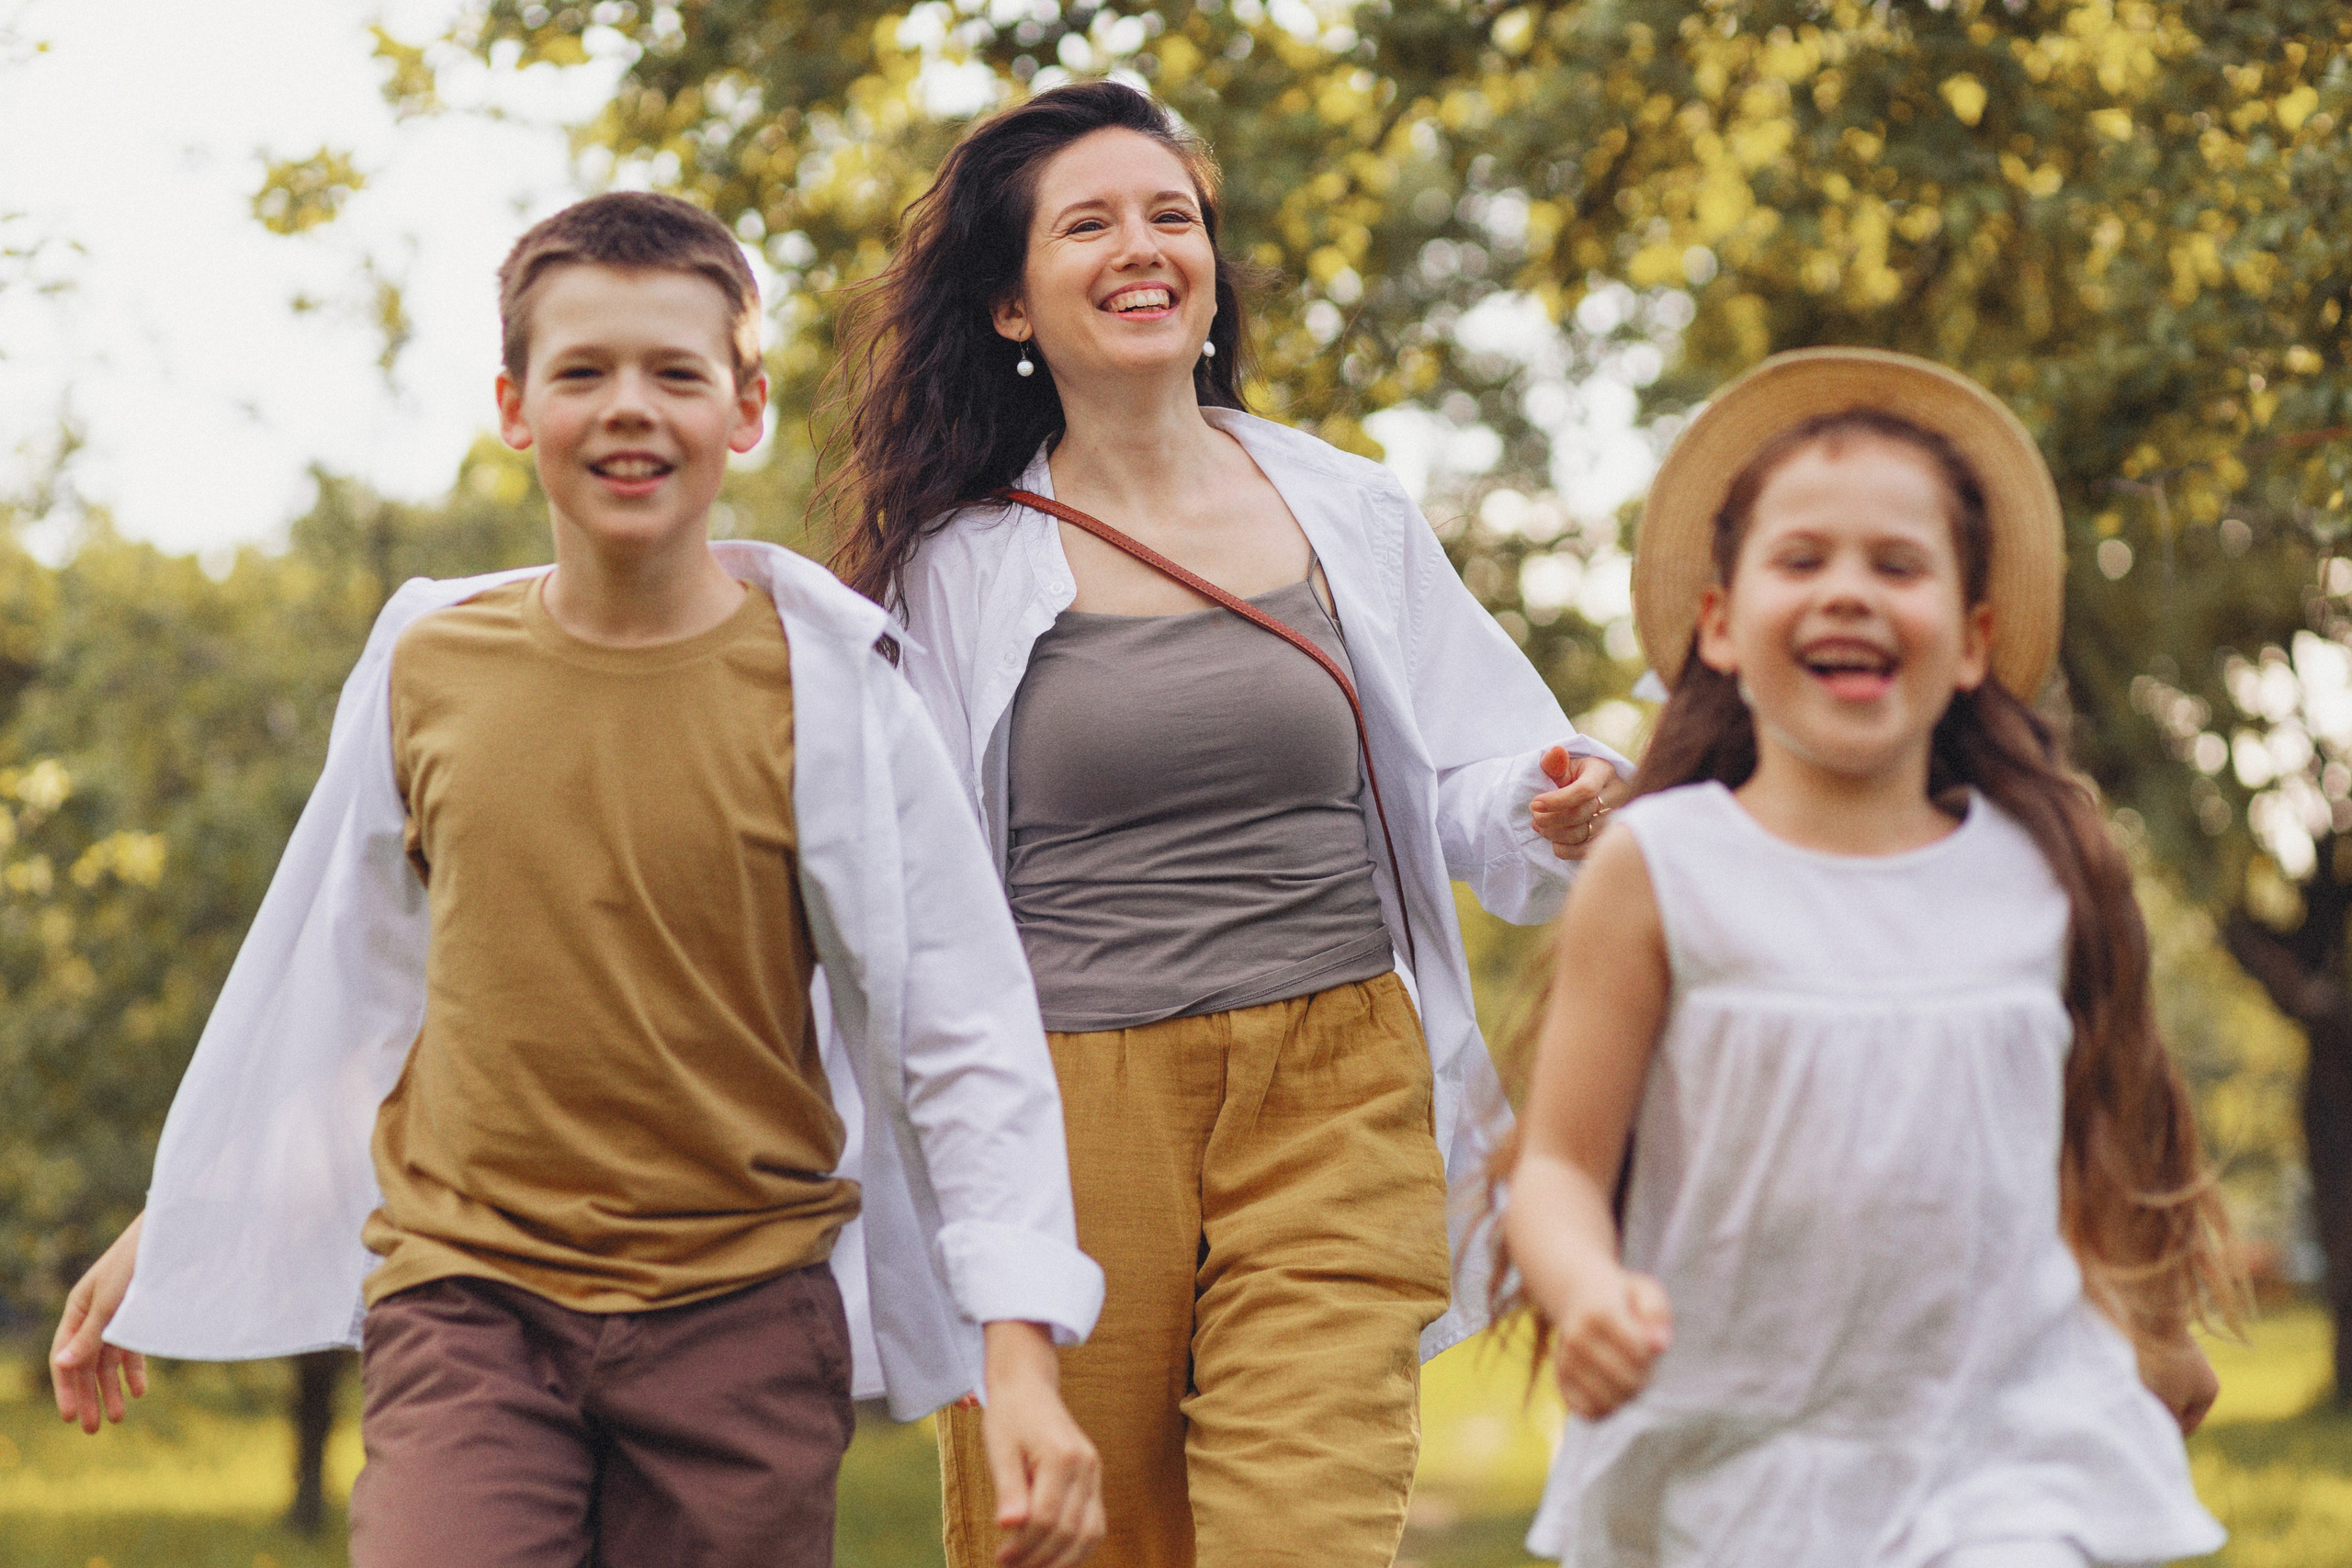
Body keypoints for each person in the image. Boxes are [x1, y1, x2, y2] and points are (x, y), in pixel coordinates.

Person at [47, 191, 1106, 1568]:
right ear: (513, 404)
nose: (628, 409)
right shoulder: (428, 663)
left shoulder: (835, 692)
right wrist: (183, 1218)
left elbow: (966, 1030)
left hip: (743, 1319)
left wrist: (1018, 1357)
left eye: (674, 373)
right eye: (583, 372)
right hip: (469, 1300)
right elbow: (336, 975)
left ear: (745, 408)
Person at [819, 81, 1632, 1568]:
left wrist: (1549, 798)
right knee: (1084, 1541)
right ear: (1011, 301)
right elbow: (900, 893)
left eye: (1172, 215)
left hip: (1335, 1087)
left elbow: (1469, 764)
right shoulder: (954, 568)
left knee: (1304, 1533)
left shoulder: (1346, 508)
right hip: (1068, 1109)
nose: (1144, 245)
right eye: (1091, 223)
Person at [1498, 346, 2240, 1568]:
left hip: (2004, 1450)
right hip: (1730, 1458)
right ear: (1723, 628)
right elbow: (1561, 1167)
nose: (1850, 591)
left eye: (1898, 565)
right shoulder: (1660, 867)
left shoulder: (2044, 872)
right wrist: (1582, 1290)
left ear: (1969, 640)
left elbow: (2102, 1130)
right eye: (1804, 560)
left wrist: (2148, 1326)